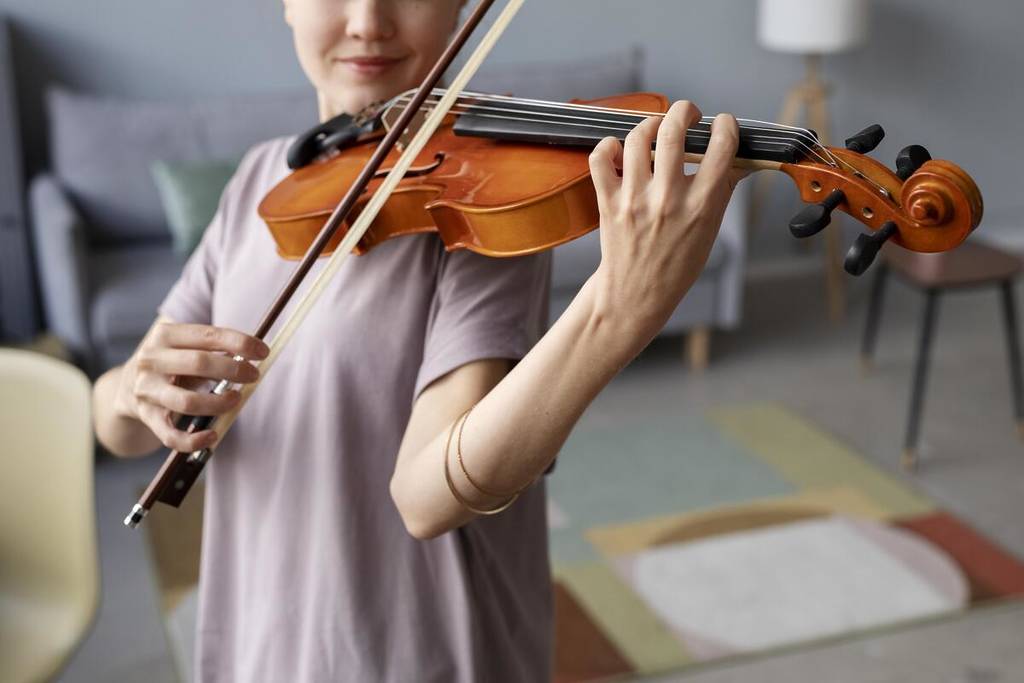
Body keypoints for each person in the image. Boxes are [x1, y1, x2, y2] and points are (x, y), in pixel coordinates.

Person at [92, 0, 742, 680]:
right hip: (259, 637)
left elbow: (426, 498)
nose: (368, 22)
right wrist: (132, 391)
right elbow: (121, 428)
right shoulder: (257, 183)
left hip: (415, 649)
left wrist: (617, 311)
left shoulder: (482, 199)